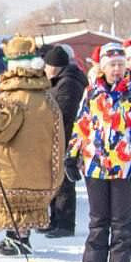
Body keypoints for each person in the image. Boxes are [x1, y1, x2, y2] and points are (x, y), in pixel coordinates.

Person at [66, 42, 131, 262]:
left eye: (120, 65)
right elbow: (81, 124)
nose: (116, 69)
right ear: (102, 67)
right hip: (95, 164)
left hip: (124, 164)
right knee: (98, 219)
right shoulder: (92, 92)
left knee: (121, 220)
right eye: (112, 65)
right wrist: (72, 154)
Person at [0, 37, 64, 255]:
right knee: (26, 202)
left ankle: (18, 238)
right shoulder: (46, 97)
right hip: (38, 164)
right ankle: (17, 235)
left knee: (14, 198)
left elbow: (2, 130)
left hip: (12, 162)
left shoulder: (10, 97)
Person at [43, 43, 87, 237]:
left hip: (66, 138)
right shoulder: (58, 81)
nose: (44, 69)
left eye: (47, 65)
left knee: (64, 182)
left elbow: (63, 113)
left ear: (55, 66)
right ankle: (55, 219)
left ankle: (65, 223)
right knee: (54, 180)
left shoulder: (68, 83)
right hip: (56, 138)